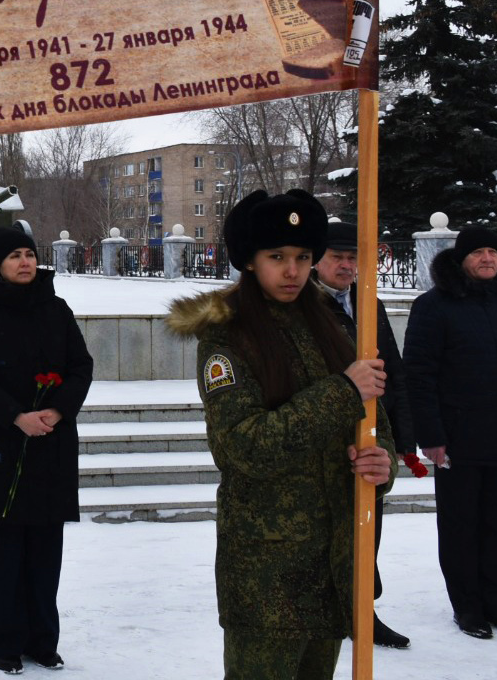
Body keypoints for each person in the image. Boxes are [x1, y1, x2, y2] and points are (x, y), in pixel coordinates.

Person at [166, 189, 393, 680]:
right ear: (250, 262)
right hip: (268, 575)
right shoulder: (227, 338)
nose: (293, 271)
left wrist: (381, 461)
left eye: (303, 257)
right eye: (277, 258)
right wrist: (340, 392)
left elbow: (372, 417)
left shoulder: (331, 327)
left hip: (332, 565)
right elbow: (242, 446)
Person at [403, 226, 497, 639]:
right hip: (459, 438)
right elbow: (419, 376)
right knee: (460, 525)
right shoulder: (435, 306)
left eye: (493, 250)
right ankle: (467, 606)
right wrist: (430, 436)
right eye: (477, 252)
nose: (487, 258)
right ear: (461, 259)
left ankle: (495, 600)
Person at [0, 226, 94, 675]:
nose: (25, 262)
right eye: (14, 255)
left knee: (44, 549)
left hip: (51, 444)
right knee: (4, 549)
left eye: (29, 254)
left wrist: (57, 410)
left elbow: (80, 366)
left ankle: (42, 640)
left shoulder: (56, 309)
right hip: (2, 445)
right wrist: (17, 416)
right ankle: (4, 642)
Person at [313, 220, 415, 649]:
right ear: (317, 260)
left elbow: (391, 364)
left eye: (353, 258)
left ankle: (362, 611)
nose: (346, 265)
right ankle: (332, 613)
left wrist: (403, 435)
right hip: (328, 434)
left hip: (372, 433)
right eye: (337, 257)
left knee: (367, 529)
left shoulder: (365, 301)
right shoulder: (305, 306)